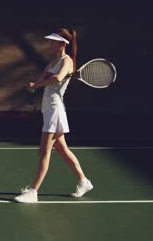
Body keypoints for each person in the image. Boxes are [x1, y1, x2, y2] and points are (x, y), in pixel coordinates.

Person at [14, 28, 93, 203]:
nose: (50, 44)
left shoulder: (68, 61)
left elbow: (57, 79)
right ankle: (84, 181)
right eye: (51, 41)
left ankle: (33, 191)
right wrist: (33, 85)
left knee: (44, 151)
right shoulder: (50, 63)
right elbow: (42, 80)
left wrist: (37, 84)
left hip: (55, 110)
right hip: (47, 109)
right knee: (62, 150)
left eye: (54, 41)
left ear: (63, 44)